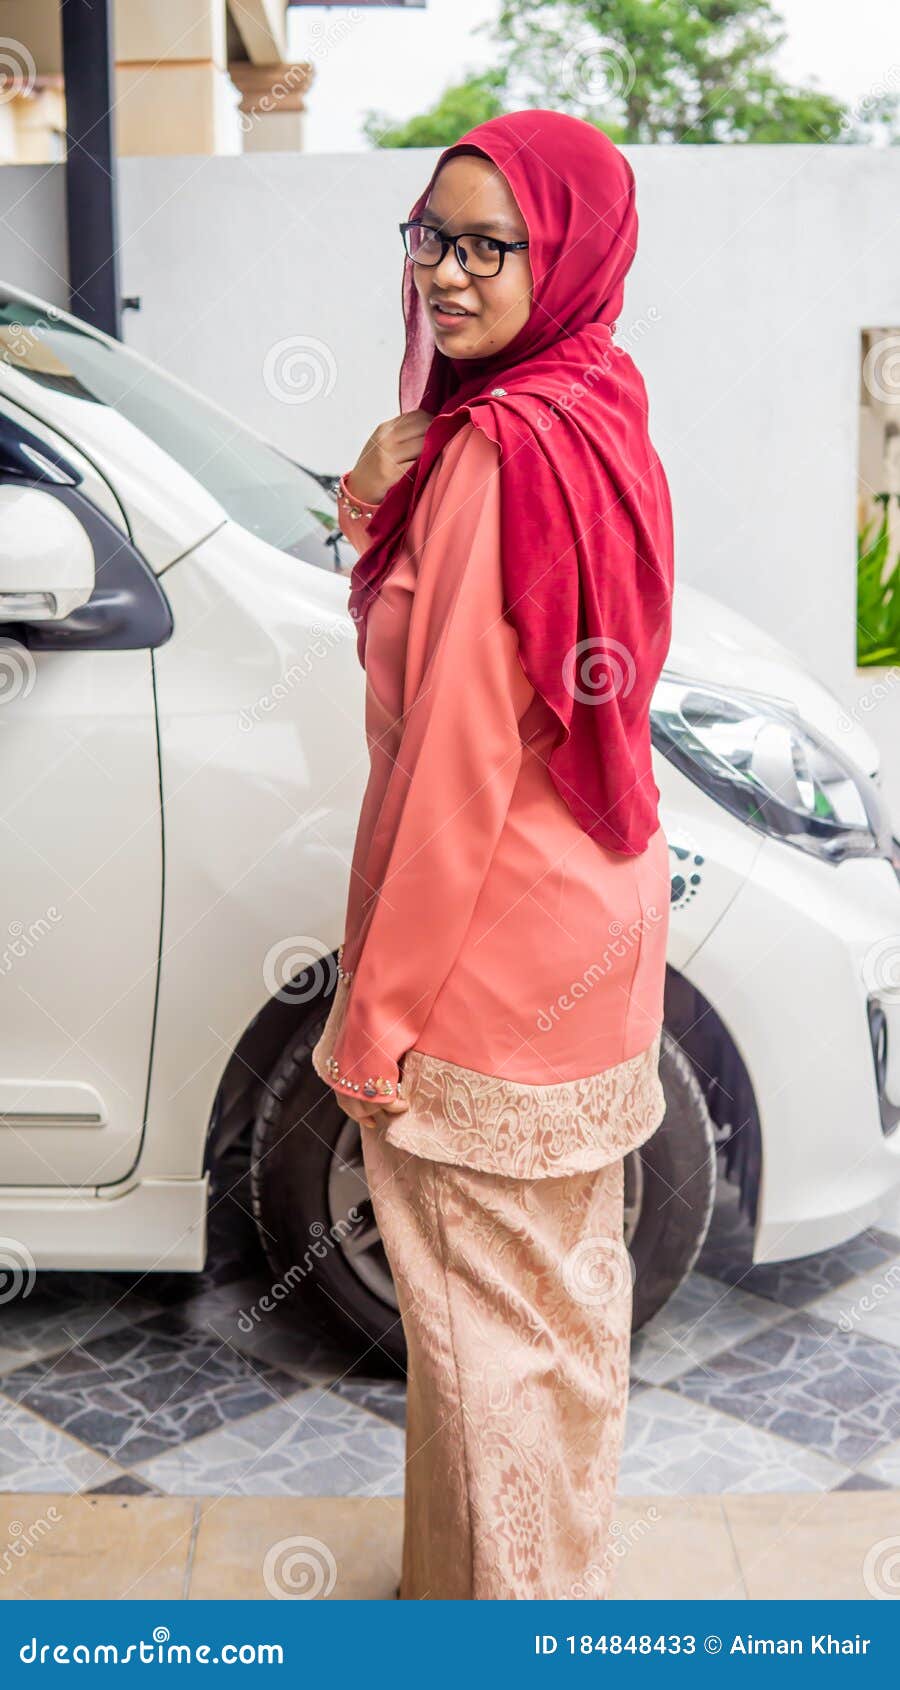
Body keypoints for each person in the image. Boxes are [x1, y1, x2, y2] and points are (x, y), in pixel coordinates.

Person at [312, 108, 674, 1601]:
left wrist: (377, 1017)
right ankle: (459, 1607)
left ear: (564, 253)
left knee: (486, 1366)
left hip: (480, 964)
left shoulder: (490, 460)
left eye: (488, 245)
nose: (446, 277)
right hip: (592, 940)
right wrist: (367, 493)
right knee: (553, 1335)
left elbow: (455, 763)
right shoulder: (595, 400)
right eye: (429, 237)